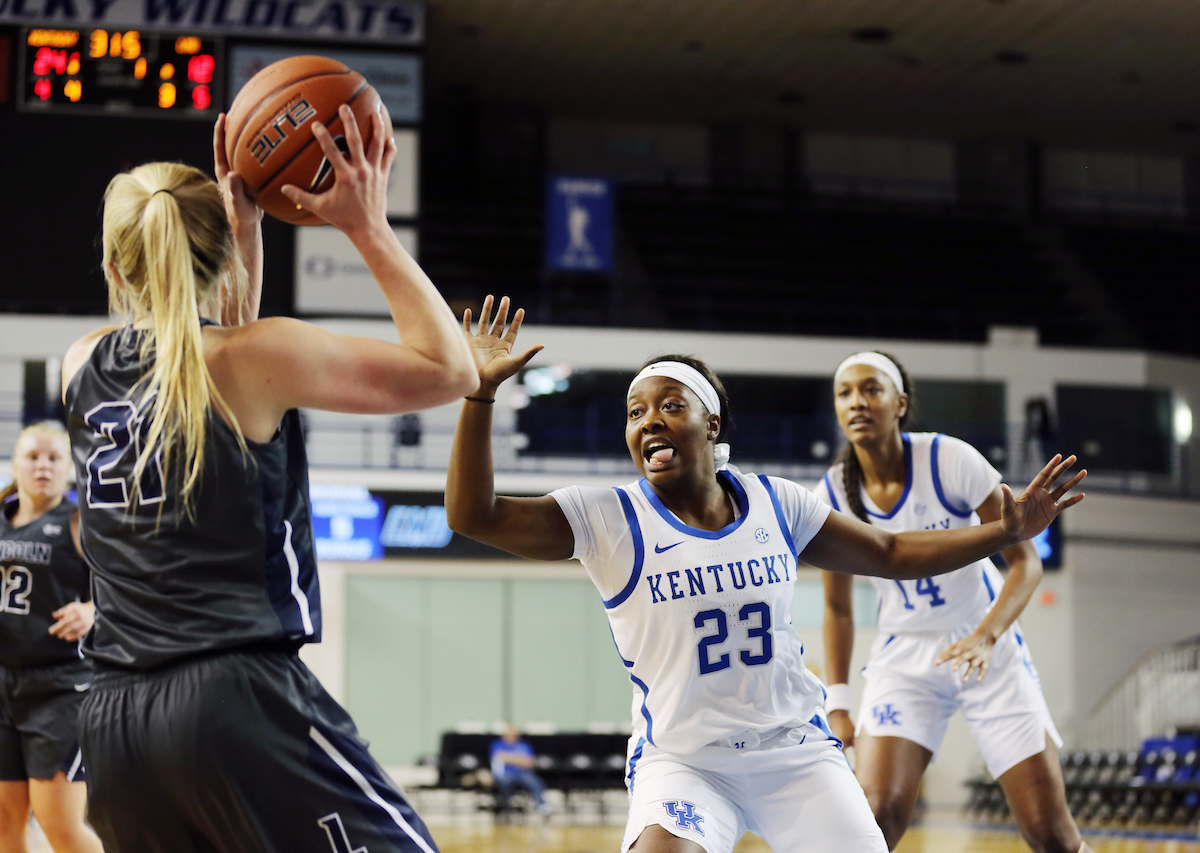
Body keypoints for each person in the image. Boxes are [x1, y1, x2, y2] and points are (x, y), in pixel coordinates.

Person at [444, 296, 1086, 853]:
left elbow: (888, 552)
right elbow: (473, 515)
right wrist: (480, 395)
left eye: (670, 405)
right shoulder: (608, 516)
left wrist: (1004, 531)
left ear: (711, 423)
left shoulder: (778, 503)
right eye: (636, 413)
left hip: (794, 754)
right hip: (687, 762)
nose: (650, 421)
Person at [59, 106, 477, 852]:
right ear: (217, 259)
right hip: (235, 699)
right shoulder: (253, 358)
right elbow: (451, 369)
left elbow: (198, 364)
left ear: (115, 267)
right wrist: (366, 224)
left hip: (115, 724)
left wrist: (241, 233)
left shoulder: (80, 363)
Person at [817, 351, 1092, 853]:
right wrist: (837, 703)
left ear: (900, 403)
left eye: (871, 389)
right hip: (904, 658)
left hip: (986, 643)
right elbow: (836, 608)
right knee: (872, 820)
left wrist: (986, 634)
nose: (857, 401)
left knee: (1051, 835)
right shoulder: (833, 491)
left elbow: (1026, 564)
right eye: (845, 392)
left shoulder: (950, 459)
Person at [0, 422, 102, 853]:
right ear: (16, 463)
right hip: (4, 684)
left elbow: (132, 593)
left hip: (61, 688)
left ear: (69, 468)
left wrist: (93, 610)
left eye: (54, 458)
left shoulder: (81, 524)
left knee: (59, 824)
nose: (43, 465)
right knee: (5, 827)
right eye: (33, 456)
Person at [489, 723, 549, 816]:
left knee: (535, 782)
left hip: (523, 774)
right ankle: (507, 808)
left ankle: (542, 805)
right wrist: (519, 759)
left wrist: (510, 758)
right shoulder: (498, 744)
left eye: (514, 732)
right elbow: (499, 757)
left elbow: (529, 763)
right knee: (504, 783)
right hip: (506, 774)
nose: (511, 735)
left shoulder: (524, 745)